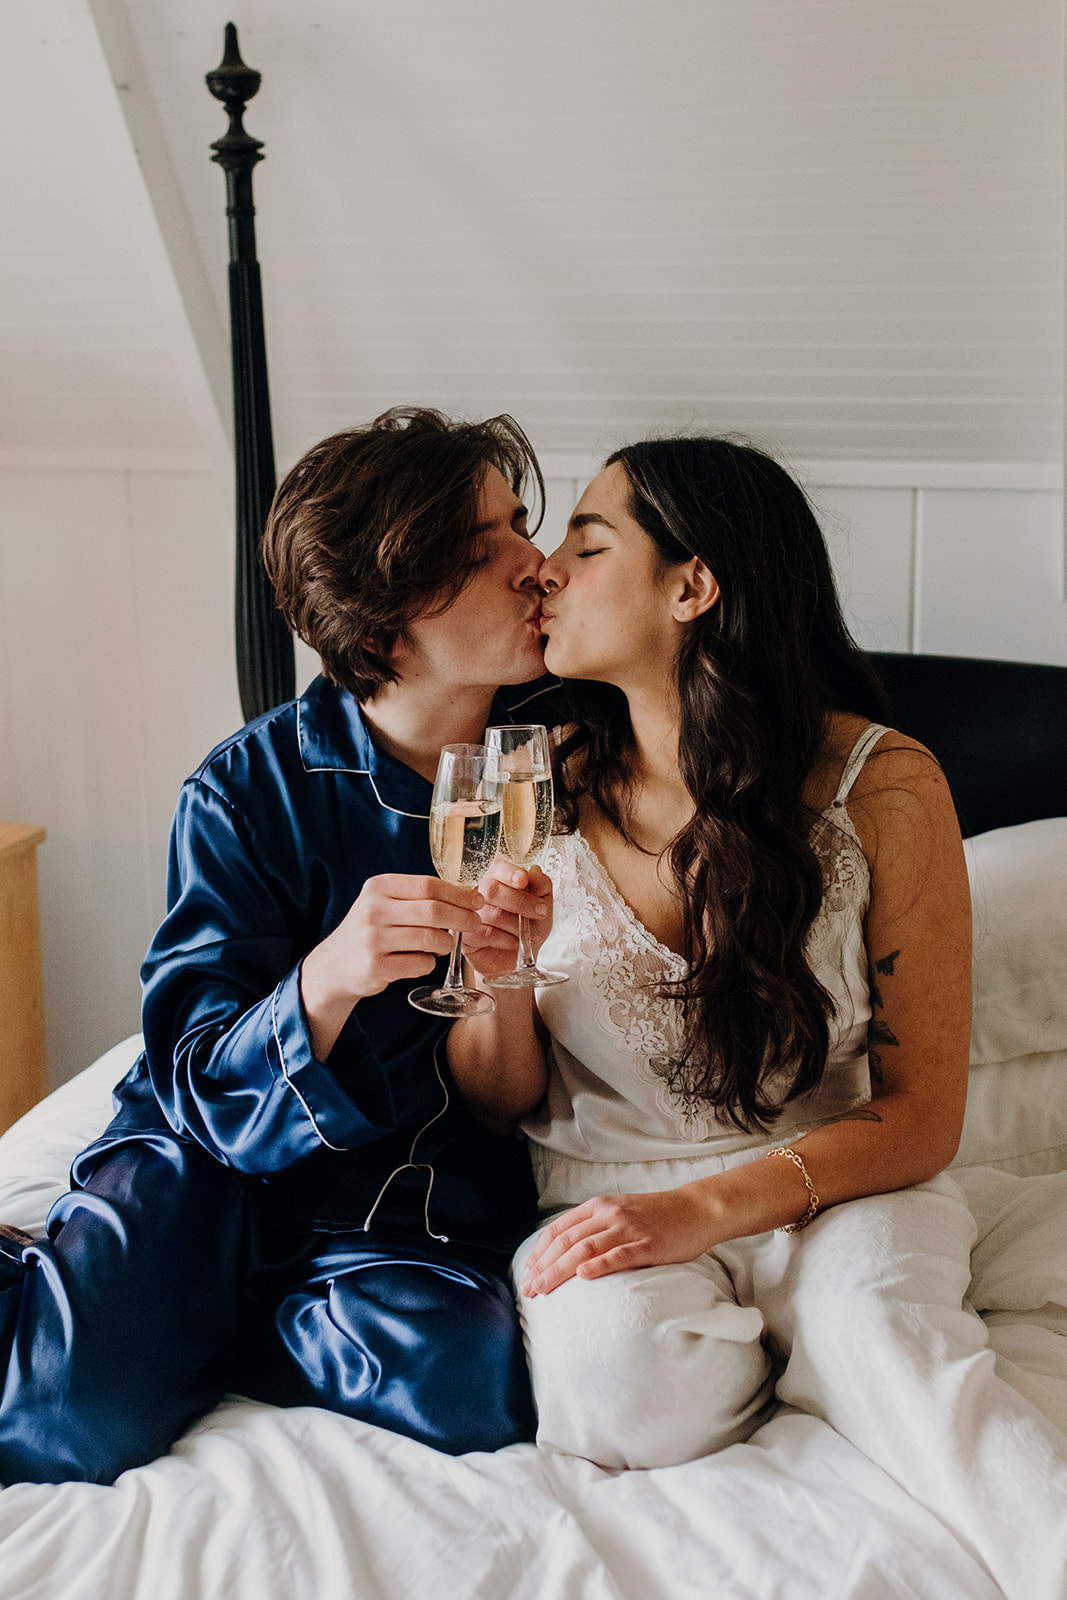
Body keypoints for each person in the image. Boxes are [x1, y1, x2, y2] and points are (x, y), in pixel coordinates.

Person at [448, 436, 1067, 1600]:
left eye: (586, 545)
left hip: (840, 1183)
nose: (547, 573)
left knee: (889, 1340)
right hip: (608, 1194)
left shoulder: (881, 784)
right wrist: (499, 976)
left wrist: (707, 1213)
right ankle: (798, 1363)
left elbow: (922, 1115)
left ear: (692, 587)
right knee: (614, 1390)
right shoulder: (523, 782)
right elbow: (497, 1099)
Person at [0, 405, 556, 1485]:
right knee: (66, 1418)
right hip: (205, 1156)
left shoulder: (540, 756)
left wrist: (501, 982)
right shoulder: (242, 791)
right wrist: (328, 975)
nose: (537, 565)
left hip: (400, 1188)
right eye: (489, 551)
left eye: (519, 525)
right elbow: (193, 1073)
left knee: (476, 1387)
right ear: (386, 632)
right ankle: (115, 1293)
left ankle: (214, 1319)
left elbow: (495, 1100)